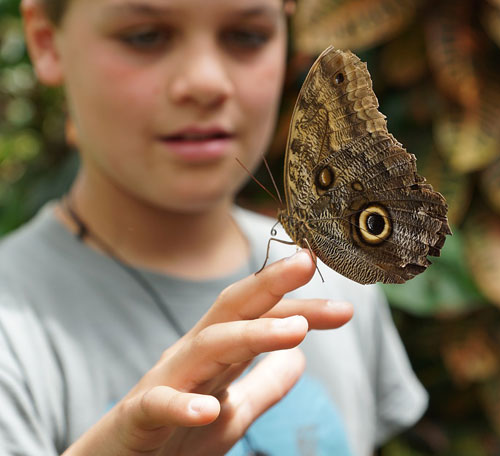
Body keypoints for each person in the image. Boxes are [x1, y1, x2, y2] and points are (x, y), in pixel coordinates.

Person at [0, 0, 428, 454]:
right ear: (46, 42)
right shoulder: (15, 334)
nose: (205, 82)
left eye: (247, 35)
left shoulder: (344, 288)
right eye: (145, 36)